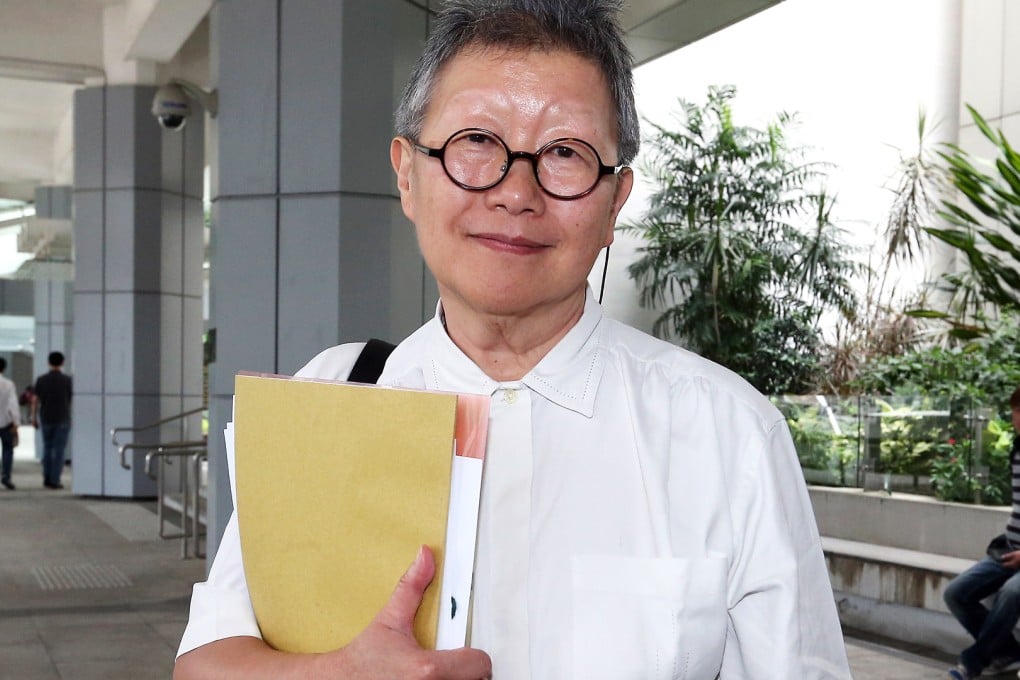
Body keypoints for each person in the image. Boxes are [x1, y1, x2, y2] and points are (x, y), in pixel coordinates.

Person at [174, 1, 851, 678]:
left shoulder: (726, 432)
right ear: (407, 175)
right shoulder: (334, 395)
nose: (516, 192)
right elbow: (208, 661)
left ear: (615, 203)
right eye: (476, 141)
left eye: (565, 153)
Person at [943, 386, 1020, 680]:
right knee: (956, 593)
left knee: (1012, 592)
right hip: (1009, 548)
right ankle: (1009, 651)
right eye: (1015, 411)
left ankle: (972, 663)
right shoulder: (1017, 450)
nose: (1016, 417)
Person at [31, 351, 72, 490]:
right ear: (62, 363)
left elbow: (35, 400)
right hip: (62, 419)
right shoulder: (68, 380)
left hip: (46, 418)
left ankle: (47, 477)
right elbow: (70, 400)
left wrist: (33, 418)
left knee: (47, 448)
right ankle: (55, 480)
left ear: (49, 362)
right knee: (59, 450)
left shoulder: (41, 379)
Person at [0, 357, 21, 490]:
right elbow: (12, 405)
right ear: (3, 368)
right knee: (8, 450)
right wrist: (15, 423)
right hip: (5, 422)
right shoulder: (8, 384)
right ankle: (6, 476)